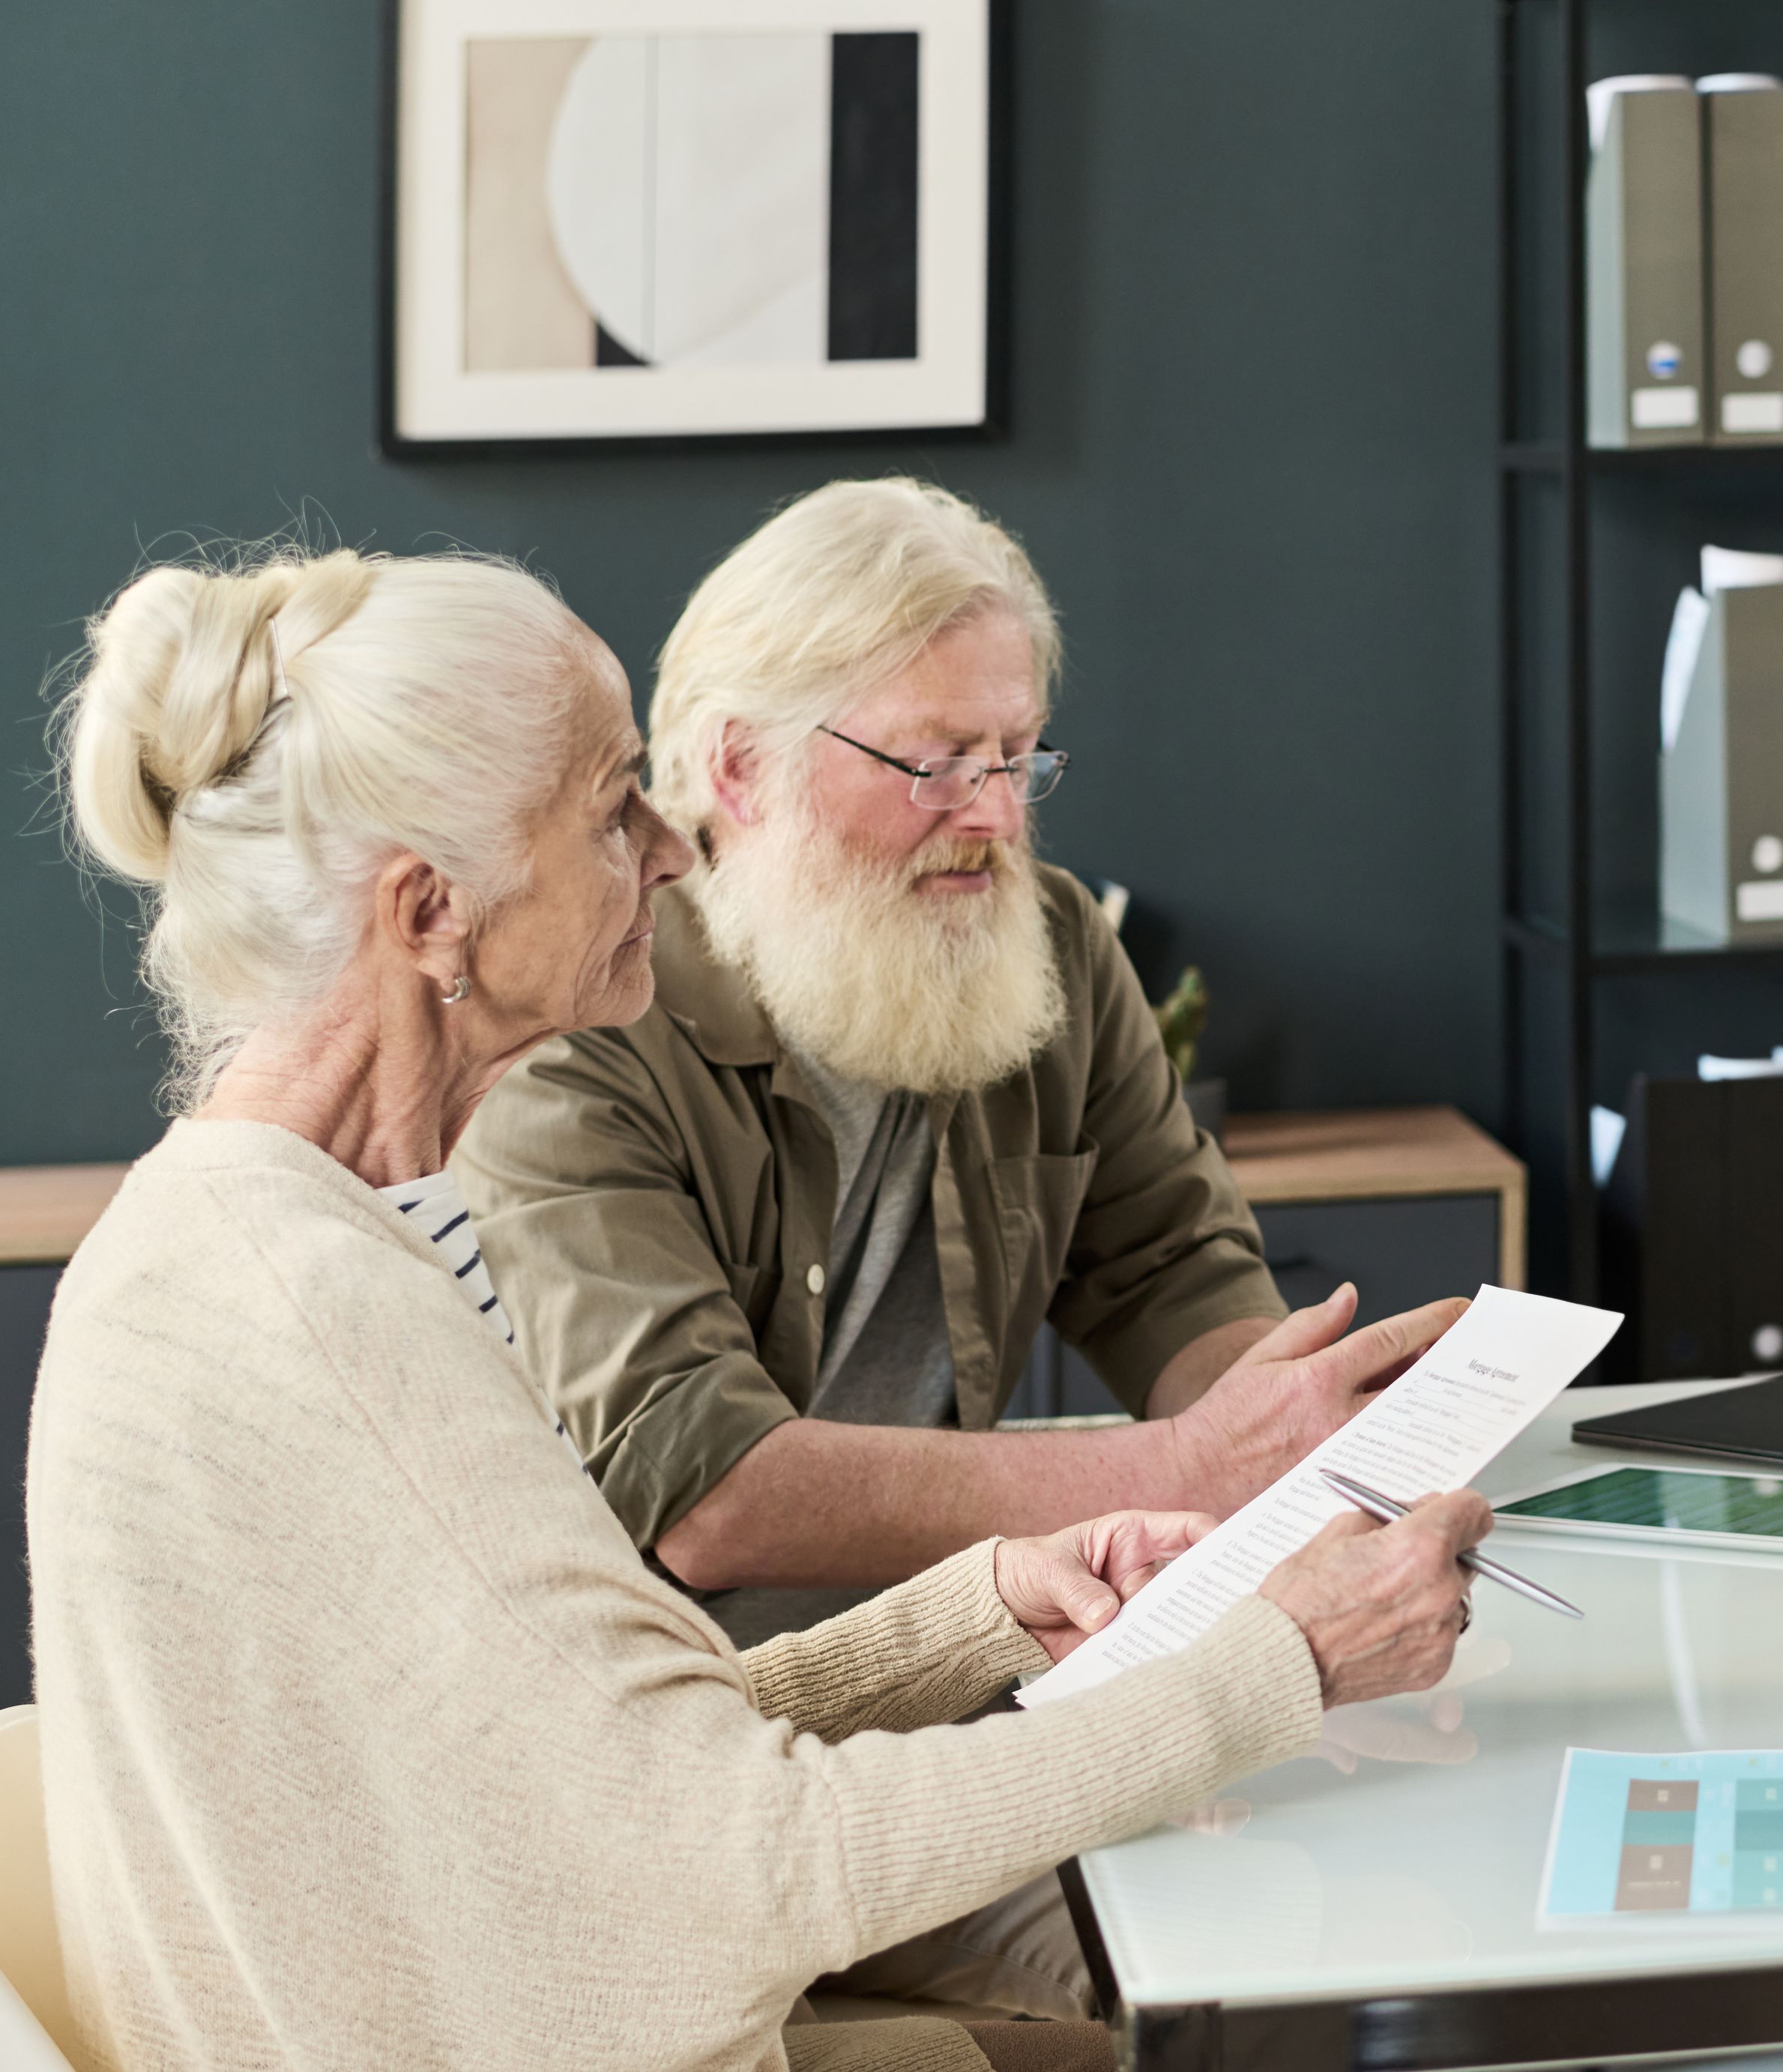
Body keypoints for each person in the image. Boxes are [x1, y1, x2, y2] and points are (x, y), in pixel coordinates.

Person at [34, 542, 1489, 2072]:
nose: (672, 853)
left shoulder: (229, 1235)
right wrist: (1279, 1664)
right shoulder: (326, 1308)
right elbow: (744, 1872)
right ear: (430, 915)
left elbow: (587, 1765)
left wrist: (974, 1606)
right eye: (613, 809)